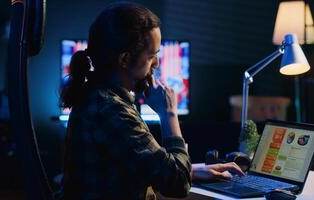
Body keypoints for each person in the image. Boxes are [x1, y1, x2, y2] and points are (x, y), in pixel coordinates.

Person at [60, 2, 244, 200]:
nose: (156, 64)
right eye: (152, 56)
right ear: (124, 59)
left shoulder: (98, 96)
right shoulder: (112, 110)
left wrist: (191, 171)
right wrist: (169, 114)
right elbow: (177, 184)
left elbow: (132, 168)